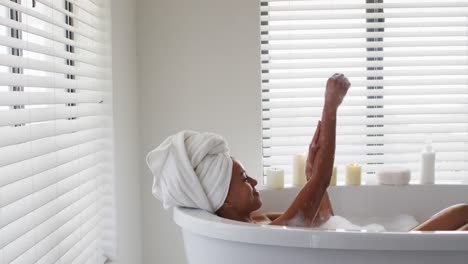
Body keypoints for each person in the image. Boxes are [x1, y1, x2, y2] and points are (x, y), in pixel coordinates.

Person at [146, 73, 468, 231]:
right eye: (243, 179)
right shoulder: (268, 235)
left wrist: (311, 177)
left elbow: (321, 219)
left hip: (368, 244)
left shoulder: (259, 221)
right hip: (381, 250)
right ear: (224, 200)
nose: (255, 180)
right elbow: (318, 193)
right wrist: (331, 108)